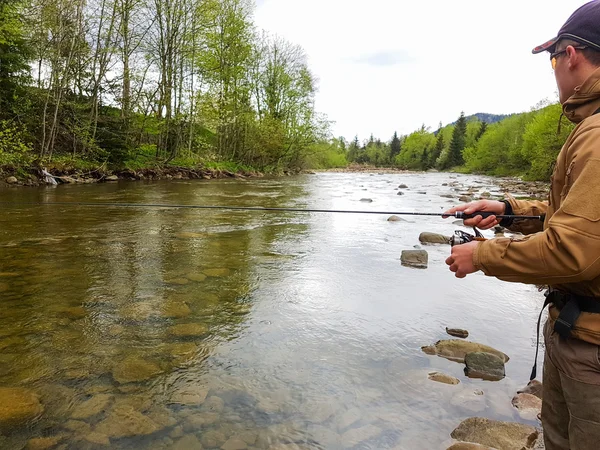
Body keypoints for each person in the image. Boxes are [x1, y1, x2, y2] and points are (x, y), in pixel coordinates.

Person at [443, 1, 600, 449]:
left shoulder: (597, 133)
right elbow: (582, 220)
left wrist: (482, 254)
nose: (553, 72)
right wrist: (510, 212)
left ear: (570, 55)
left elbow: (574, 251)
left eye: (552, 59)